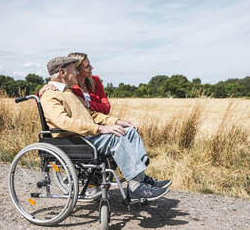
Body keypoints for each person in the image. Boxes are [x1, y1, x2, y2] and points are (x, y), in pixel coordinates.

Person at [40, 56, 171, 200]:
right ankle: (136, 188)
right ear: (62, 72)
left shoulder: (68, 92)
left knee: (130, 132)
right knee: (118, 137)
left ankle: (140, 179)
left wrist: (119, 121)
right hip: (75, 140)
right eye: (74, 70)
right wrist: (100, 129)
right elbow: (63, 122)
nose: (77, 73)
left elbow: (92, 115)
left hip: (86, 137)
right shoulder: (50, 95)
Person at [38, 52, 110, 114]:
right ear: (77, 69)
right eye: (87, 66)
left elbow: (106, 109)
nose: (92, 68)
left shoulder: (96, 80)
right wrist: (42, 91)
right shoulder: (68, 87)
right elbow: (46, 102)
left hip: (101, 121)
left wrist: (87, 104)